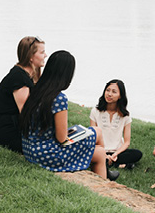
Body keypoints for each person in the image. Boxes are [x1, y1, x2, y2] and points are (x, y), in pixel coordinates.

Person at [19, 50, 113, 180]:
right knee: (100, 152)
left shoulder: (36, 90)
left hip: (30, 150)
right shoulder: (58, 98)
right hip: (48, 155)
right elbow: (62, 138)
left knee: (97, 131)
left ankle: (106, 169)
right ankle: (105, 178)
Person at [0, 36, 47, 153]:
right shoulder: (19, 78)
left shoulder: (28, 74)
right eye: (42, 52)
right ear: (31, 56)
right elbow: (27, 114)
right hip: (8, 135)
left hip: (16, 130)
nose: (45, 55)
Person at [90, 79, 143, 171]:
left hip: (117, 152)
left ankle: (108, 162)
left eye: (114, 92)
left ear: (120, 96)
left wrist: (115, 154)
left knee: (137, 154)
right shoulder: (95, 111)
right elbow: (93, 138)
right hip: (100, 150)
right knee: (88, 152)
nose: (109, 94)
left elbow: (127, 142)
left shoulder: (125, 115)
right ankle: (118, 164)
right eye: (108, 90)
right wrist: (104, 154)